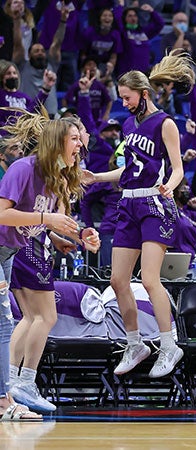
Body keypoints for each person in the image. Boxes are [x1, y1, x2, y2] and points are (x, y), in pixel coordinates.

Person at [82, 49, 196, 378]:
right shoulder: (130, 123)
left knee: (148, 279)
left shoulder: (166, 123)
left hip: (154, 204)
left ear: (143, 94)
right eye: (122, 98)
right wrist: (98, 177)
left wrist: (170, 186)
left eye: (128, 97)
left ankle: (170, 343)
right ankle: (135, 344)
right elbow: (128, 168)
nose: (125, 103)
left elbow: (177, 169)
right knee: (118, 280)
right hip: (127, 203)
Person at [0, 115, 100, 419]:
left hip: (9, 253)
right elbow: (3, 215)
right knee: (8, 324)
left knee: (7, 324)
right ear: (56, 142)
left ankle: (10, 396)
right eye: (74, 139)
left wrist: (80, 235)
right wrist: (47, 221)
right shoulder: (23, 169)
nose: (80, 146)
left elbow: (57, 221)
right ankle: (12, 394)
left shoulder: (55, 178)